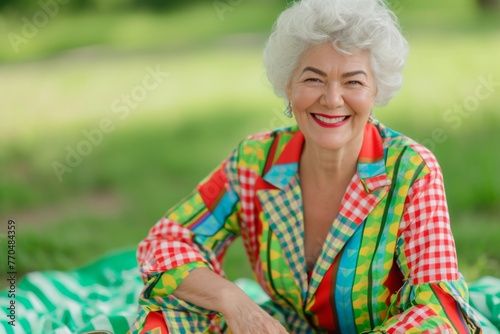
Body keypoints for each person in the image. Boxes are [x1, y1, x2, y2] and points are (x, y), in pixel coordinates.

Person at [130, 0, 483, 332]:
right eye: (313, 78)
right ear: (288, 86)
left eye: (353, 81)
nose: (331, 99)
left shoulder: (411, 169)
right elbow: (166, 241)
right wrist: (233, 301)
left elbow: (440, 309)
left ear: (376, 90)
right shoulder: (255, 160)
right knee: (168, 309)